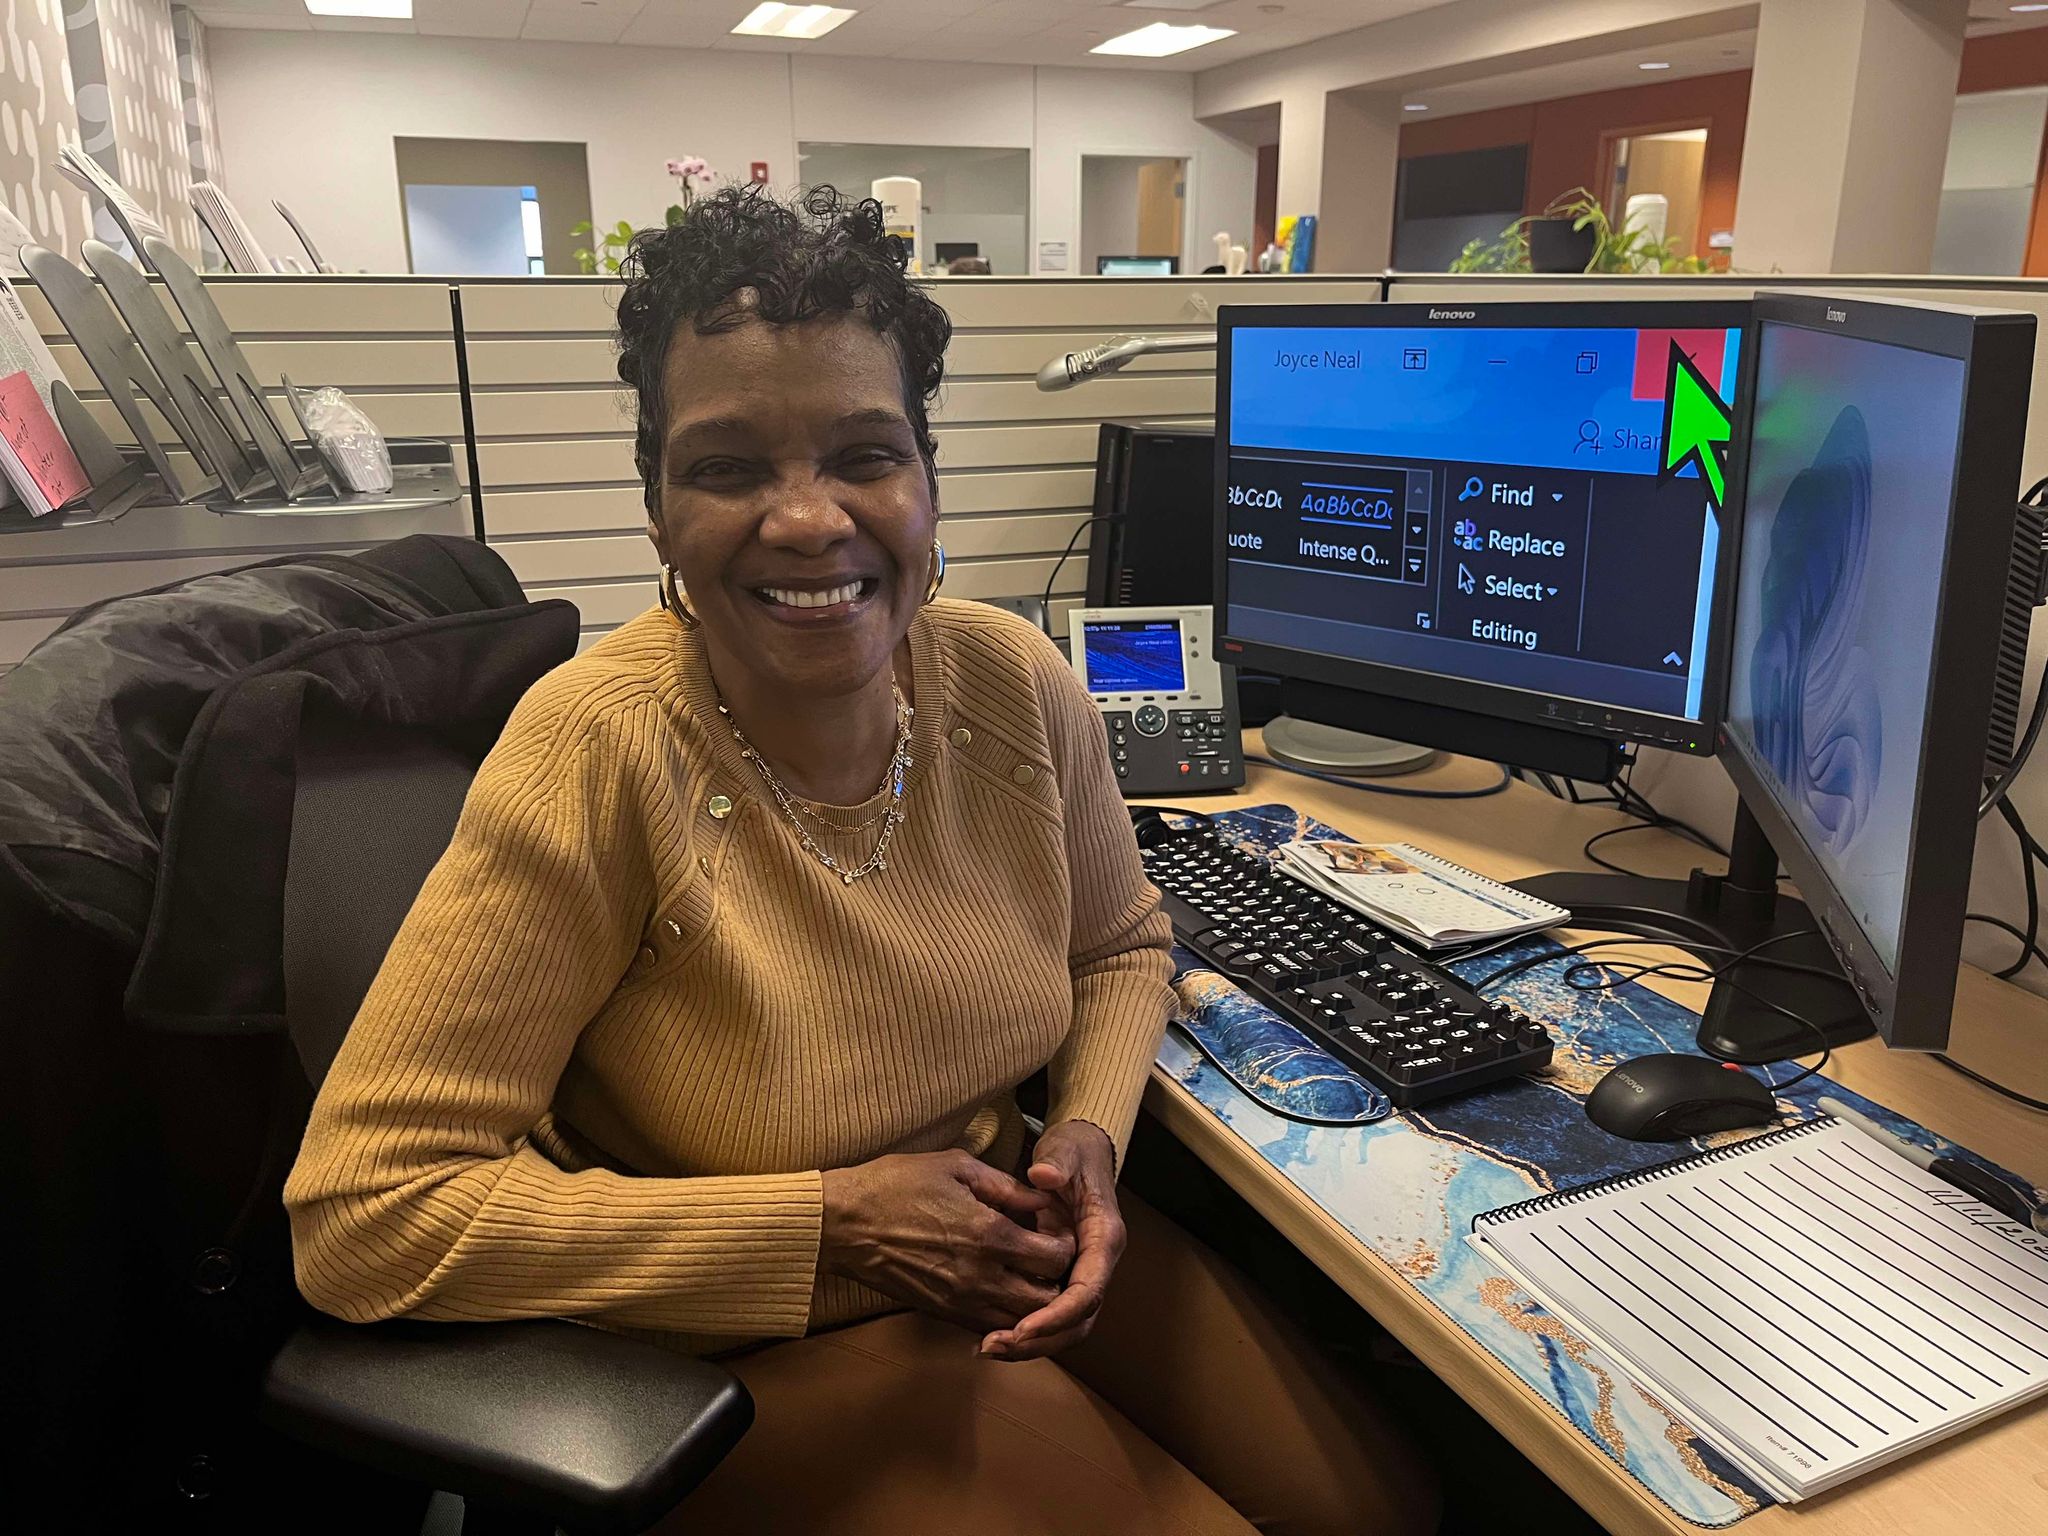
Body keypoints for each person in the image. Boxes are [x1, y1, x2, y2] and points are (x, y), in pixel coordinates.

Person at [285, 184, 1436, 1536]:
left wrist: (1088, 1137)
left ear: (927, 481)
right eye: (726, 468)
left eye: (863, 454)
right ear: (659, 512)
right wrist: (832, 1225)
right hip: (742, 1337)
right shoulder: (598, 749)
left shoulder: (1010, 678)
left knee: (1389, 1508)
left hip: (1006, 1242)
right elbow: (362, 1220)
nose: (809, 519)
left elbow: (1119, 946)